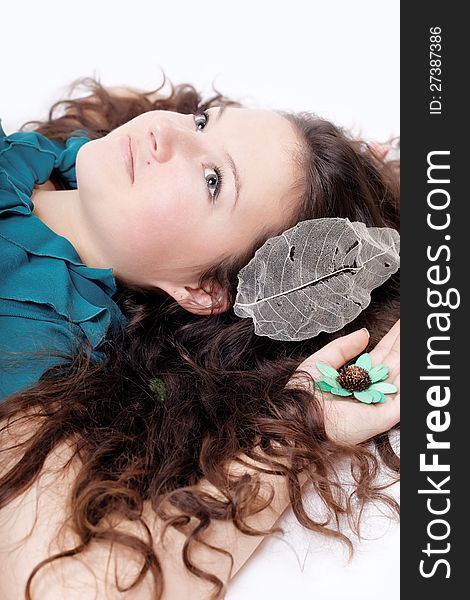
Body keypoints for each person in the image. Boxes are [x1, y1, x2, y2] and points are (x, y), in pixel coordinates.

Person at [0, 75, 400, 599]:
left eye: (213, 179)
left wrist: (295, 430)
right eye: (203, 123)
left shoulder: (40, 344)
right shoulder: (40, 161)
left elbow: (70, 588)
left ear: (203, 290)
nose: (165, 136)